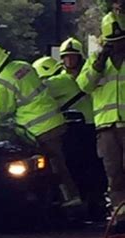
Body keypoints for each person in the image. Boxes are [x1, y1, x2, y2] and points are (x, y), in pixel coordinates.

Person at [0, 43, 82, 208]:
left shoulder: (3, 82)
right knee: (58, 162)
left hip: (39, 128)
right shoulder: (23, 66)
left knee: (55, 167)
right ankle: (65, 198)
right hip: (55, 120)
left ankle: (71, 200)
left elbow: (2, 110)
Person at [33, 54, 107, 221]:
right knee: (94, 169)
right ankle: (95, 204)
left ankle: (80, 205)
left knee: (76, 169)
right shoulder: (72, 80)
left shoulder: (58, 82)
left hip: (77, 132)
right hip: (93, 128)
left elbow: (37, 94)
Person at [77, 13, 125, 230]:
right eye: (112, 43)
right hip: (106, 127)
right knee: (114, 173)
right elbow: (84, 86)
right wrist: (98, 63)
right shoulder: (96, 62)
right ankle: (121, 215)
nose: (117, 46)